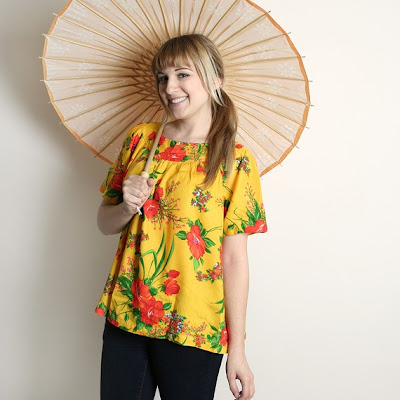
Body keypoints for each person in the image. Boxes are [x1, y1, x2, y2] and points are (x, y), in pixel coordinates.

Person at [95, 34, 267, 400]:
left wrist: (237, 349)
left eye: (182, 74)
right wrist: (126, 205)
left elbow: (235, 259)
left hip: (194, 325)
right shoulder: (141, 140)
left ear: (215, 79)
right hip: (128, 313)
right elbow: (104, 223)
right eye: (162, 77)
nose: (169, 87)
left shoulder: (235, 160)